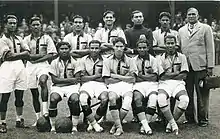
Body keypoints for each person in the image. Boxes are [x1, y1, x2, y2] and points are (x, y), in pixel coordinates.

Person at [178, 7, 215, 127]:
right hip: (186, 67)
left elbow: (210, 48)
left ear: (198, 16)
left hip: (201, 66)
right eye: (189, 14)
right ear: (186, 16)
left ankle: (203, 118)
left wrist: (210, 66)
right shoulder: (181, 30)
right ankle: (190, 118)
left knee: (202, 94)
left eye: (194, 14)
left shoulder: (205, 28)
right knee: (187, 93)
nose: (191, 16)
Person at [24, 16, 57, 126]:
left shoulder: (47, 38)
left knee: (43, 81)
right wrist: (41, 55)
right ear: (30, 27)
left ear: (41, 26)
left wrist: (39, 58)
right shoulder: (26, 39)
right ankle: (38, 119)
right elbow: (26, 55)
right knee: (34, 92)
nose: (36, 26)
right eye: (33, 25)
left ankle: (45, 112)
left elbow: (52, 54)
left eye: (38, 24)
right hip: (30, 66)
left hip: (43, 65)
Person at [0, 15, 30, 133]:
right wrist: (23, 54)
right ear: (5, 24)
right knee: (5, 97)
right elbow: (8, 56)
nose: (12, 25)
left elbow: (28, 51)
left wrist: (21, 54)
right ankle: (2, 122)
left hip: (20, 67)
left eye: (14, 23)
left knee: (19, 95)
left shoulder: (18, 38)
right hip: (7, 68)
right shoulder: (2, 40)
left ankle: (19, 120)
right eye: (10, 23)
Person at [102, 37, 138, 136]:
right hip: (113, 85)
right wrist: (124, 77)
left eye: (121, 46)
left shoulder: (130, 60)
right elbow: (107, 80)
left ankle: (116, 125)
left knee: (127, 101)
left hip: (127, 86)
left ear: (124, 47)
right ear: (113, 47)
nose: (118, 48)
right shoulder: (107, 60)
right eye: (116, 46)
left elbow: (133, 79)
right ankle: (119, 127)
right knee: (112, 98)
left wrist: (114, 75)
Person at [157, 35, 189, 135]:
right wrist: (176, 73)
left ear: (176, 44)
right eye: (168, 43)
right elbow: (161, 77)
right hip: (164, 84)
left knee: (185, 100)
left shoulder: (182, 57)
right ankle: (173, 124)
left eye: (172, 43)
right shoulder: (159, 58)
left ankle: (170, 123)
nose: (170, 45)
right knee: (161, 99)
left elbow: (184, 75)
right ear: (164, 44)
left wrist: (169, 75)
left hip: (178, 84)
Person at [48, 42, 81, 132]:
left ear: (69, 50)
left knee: (75, 99)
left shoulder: (75, 62)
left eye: (66, 48)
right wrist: (70, 80)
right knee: (53, 99)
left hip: (72, 87)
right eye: (62, 49)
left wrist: (61, 81)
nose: (64, 51)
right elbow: (54, 80)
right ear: (58, 50)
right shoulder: (54, 62)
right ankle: (53, 126)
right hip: (58, 87)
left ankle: (74, 126)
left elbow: (77, 79)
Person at [79, 40, 109, 132]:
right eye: (92, 48)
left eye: (96, 48)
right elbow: (82, 78)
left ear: (100, 49)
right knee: (83, 98)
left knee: (105, 100)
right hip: (87, 85)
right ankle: (95, 125)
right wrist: (96, 76)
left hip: (101, 84)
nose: (94, 50)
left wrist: (89, 77)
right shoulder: (83, 60)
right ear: (89, 49)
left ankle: (92, 122)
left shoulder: (105, 60)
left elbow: (105, 78)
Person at [132, 39, 158, 135]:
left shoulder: (154, 60)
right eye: (140, 48)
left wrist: (141, 76)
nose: (142, 49)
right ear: (137, 49)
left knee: (153, 99)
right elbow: (135, 78)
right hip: (139, 85)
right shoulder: (133, 60)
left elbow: (155, 77)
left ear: (148, 48)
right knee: (137, 98)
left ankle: (144, 125)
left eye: (144, 47)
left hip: (152, 85)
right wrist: (148, 77)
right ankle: (146, 126)